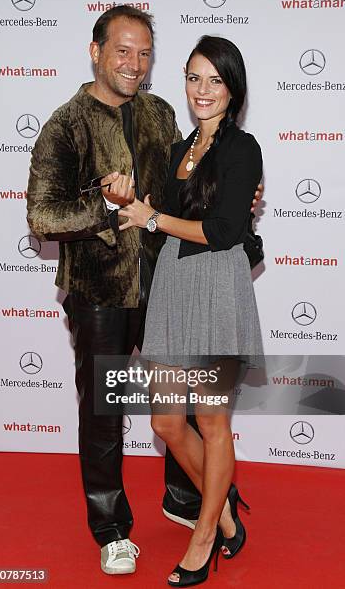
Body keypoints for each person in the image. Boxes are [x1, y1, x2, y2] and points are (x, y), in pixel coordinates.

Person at [26, 6, 263, 577]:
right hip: (102, 292)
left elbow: (185, 202)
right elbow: (43, 216)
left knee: (189, 415)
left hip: (168, 288)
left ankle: (194, 504)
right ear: (95, 51)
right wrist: (107, 210)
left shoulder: (161, 117)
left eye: (144, 53)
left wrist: (240, 205)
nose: (134, 63)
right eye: (122, 50)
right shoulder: (67, 124)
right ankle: (110, 529)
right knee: (112, 414)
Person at [117, 35, 263, 586]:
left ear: (233, 88)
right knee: (166, 422)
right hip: (176, 287)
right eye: (193, 77)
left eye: (215, 80)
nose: (202, 90)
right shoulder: (183, 148)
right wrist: (138, 208)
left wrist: (150, 218)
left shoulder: (242, 149)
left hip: (217, 290)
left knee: (211, 422)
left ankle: (204, 536)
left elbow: (225, 231)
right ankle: (222, 510)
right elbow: (177, 221)